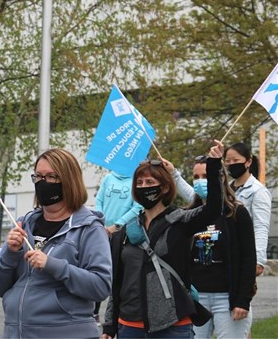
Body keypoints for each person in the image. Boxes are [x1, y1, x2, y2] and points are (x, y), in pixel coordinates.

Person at [102, 141, 224, 339]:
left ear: (165, 187)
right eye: (139, 183)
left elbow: (213, 209)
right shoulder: (126, 229)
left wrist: (214, 166)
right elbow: (118, 282)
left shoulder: (181, 221)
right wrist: (109, 325)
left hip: (172, 325)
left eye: (150, 183)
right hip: (129, 326)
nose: (143, 187)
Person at [0, 148, 112, 338]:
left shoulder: (89, 228)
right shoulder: (24, 224)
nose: (43, 183)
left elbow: (101, 286)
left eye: (51, 177)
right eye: (38, 177)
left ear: (68, 181)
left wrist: (52, 265)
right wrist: (10, 254)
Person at [163, 155, 256, 338]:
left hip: (227, 299)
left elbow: (248, 258)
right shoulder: (189, 215)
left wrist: (243, 300)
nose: (200, 182)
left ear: (220, 177)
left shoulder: (237, 213)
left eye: (205, 176)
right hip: (197, 300)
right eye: (196, 178)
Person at [93, 171, 142, 323]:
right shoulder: (108, 178)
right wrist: (101, 223)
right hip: (103, 232)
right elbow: (99, 201)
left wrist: (117, 225)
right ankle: (94, 311)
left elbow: (137, 207)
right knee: (98, 270)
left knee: (117, 275)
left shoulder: (136, 180)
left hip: (123, 234)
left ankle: (115, 315)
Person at [223, 143, 272, 279]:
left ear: (248, 161)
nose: (231, 164)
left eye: (236, 160)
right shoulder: (226, 190)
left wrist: (259, 259)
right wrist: (175, 175)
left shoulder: (258, 191)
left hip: (243, 256)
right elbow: (197, 199)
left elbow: (261, 226)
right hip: (223, 255)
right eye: (227, 161)